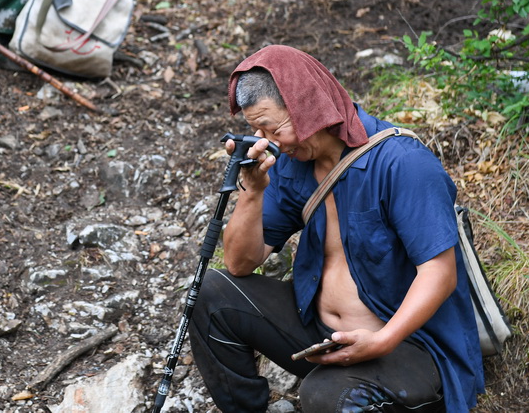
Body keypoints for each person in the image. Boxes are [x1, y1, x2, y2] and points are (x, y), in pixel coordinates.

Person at [189, 45, 484, 413]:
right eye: (257, 131)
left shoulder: (403, 163)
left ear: (309, 105)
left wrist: (384, 340)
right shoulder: (292, 163)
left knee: (324, 396)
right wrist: (252, 194)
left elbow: (439, 273)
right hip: (323, 334)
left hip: (410, 347)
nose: (269, 142)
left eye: (275, 128)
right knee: (211, 292)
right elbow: (239, 264)